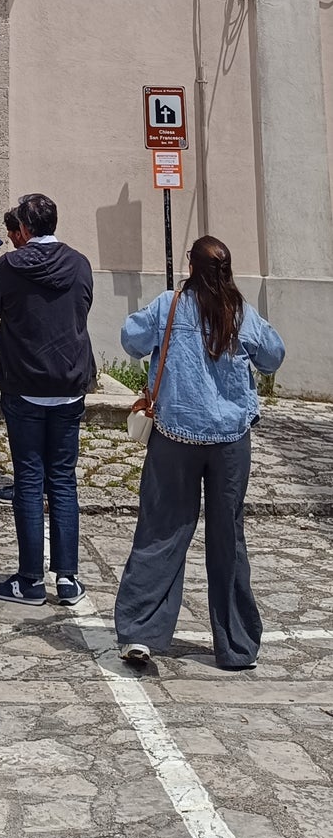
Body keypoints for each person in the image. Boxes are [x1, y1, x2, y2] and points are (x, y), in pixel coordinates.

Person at [114, 236, 285, 671]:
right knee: (229, 538)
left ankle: (140, 632)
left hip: (175, 435)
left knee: (161, 531)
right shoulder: (241, 312)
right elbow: (273, 356)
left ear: (190, 265)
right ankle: (237, 646)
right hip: (230, 440)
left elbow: (131, 340)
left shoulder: (169, 305)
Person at [0, 192, 95, 606]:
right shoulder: (79, 263)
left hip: (25, 381)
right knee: (64, 480)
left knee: (30, 480)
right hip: (68, 382)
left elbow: (0, 307)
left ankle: (30, 578)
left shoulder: (8, 267)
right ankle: (67, 577)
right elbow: (84, 306)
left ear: (25, 228)